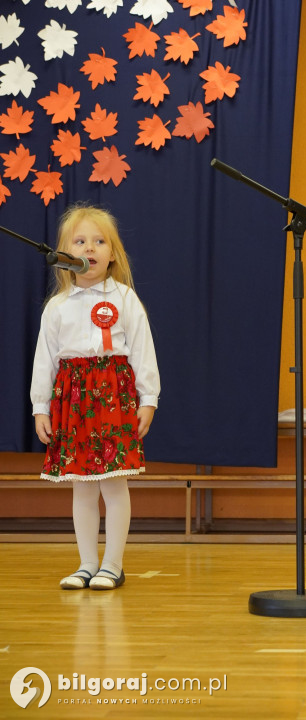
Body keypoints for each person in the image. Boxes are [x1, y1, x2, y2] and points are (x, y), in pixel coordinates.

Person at [31, 203, 160, 591]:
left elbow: (143, 351)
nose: (90, 248)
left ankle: (112, 565)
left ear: (113, 253)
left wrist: (148, 398)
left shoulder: (124, 298)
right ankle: (87, 563)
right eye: (80, 241)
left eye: (100, 241)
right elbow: (45, 360)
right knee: (82, 485)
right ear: (64, 253)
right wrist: (40, 407)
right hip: (73, 402)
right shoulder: (57, 307)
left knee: (113, 483)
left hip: (113, 399)